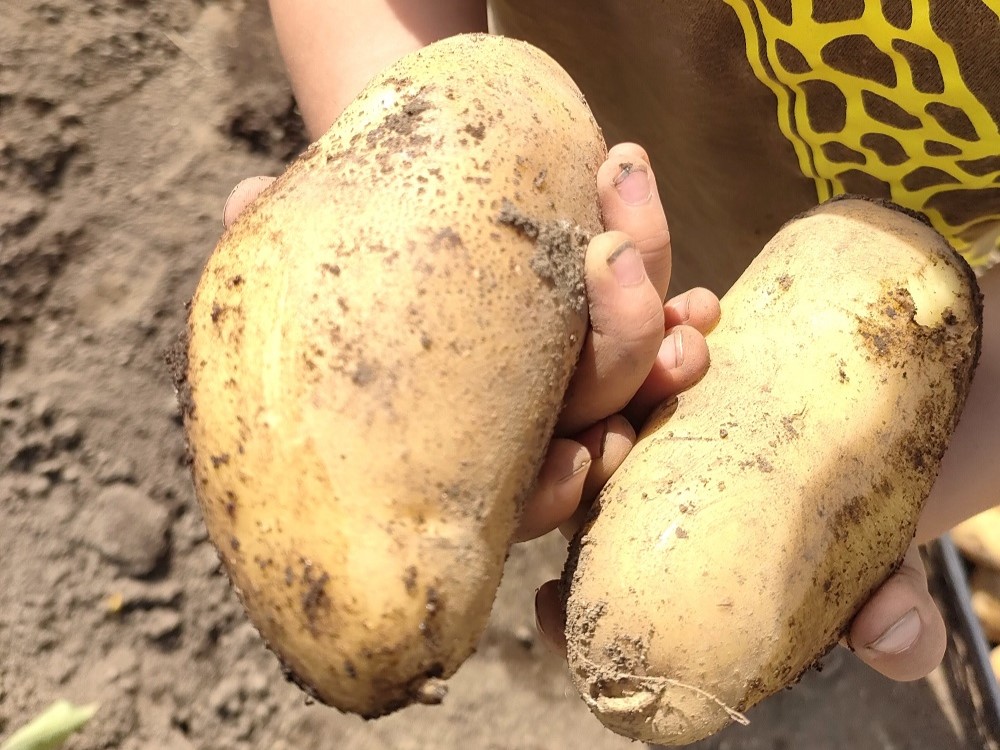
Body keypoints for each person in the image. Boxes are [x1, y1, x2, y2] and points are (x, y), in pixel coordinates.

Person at [223, 0, 1000, 690]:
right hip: (549, 188)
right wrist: (421, 251)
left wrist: (866, 490)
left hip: (851, 313)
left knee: (672, 604)